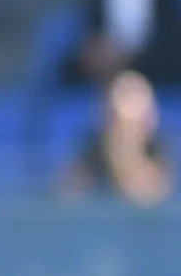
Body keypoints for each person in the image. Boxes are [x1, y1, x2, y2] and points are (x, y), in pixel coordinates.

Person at [63, 69, 176, 205]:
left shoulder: (162, 151)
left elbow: (148, 197)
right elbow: (67, 199)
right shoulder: (89, 154)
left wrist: (124, 152)